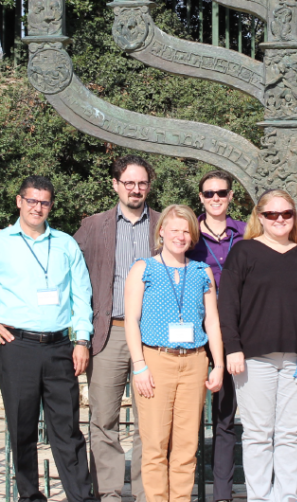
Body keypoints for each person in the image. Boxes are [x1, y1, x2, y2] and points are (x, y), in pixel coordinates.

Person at [0, 176, 96, 502]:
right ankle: (30, 496)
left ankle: (80, 497)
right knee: (22, 428)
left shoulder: (65, 244)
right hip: (17, 347)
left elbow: (81, 296)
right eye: (32, 201)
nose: (37, 207)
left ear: (50, 205)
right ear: (19, 201)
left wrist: (82, 340)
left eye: (44, 202)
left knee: (68, 430)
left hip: (61, 347)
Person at [219, 189, 297, 502]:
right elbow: (227, 305)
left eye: (287, 213)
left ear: (294, 217)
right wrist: (233, 347)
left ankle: (287, 497)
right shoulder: (243, 253)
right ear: (260, 217)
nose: (280, 219)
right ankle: (259, 497)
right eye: (272, 214)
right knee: (258, 434)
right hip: (254, 358)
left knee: (291, 433)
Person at [124, 204, 226, 502]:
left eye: (186, 231)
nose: (180, 236)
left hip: (194, 362)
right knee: (155, 444)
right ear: (162, 232)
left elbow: (212, 321)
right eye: (175, 230)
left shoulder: (201, 271)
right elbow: (131, 319)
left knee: (185, 446)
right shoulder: (144, 268)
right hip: (156, 359)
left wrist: (217, 364)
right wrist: (139, 365)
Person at [74, 155, 161, 502]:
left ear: (149, 186)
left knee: (149, 422)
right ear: (115, 185)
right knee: (104, 419)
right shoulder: (93, 226)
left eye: (141, 183)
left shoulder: (163, 223)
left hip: (152, 336)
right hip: (108, 333)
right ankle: (109, 493)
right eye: (129, 183)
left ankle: (145, 493)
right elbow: (70, 271)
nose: (135, 189)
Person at [185, 170, 246, 502]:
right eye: (209, 194)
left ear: (231, 196)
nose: (215, 199)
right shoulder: (188, 235)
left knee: (225, 418)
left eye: (221, 193)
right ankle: (185, 491)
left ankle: (222, 495)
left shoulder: (247, 234)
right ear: (201, 198)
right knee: (187, 418)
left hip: (235, 334)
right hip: (194, 334)